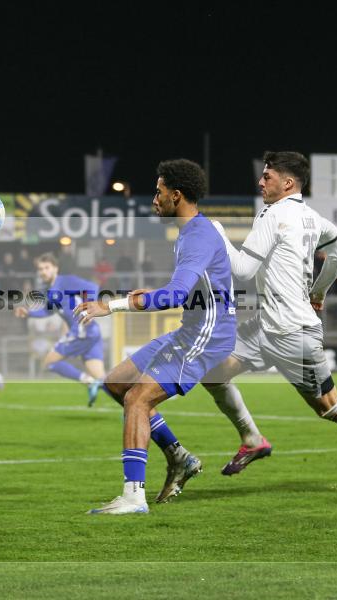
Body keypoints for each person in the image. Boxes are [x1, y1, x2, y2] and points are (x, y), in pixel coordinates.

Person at [206, 151, 337, 492]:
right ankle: (253, 438)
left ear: (287, 183)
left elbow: (243, 269)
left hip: (292, 332)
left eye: (268, 176)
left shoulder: (273, 216)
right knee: (213, 372)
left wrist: (216, 232)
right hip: (264, 326)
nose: (261, 181)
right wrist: (318, 292)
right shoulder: (311, 217)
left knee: (329, 407)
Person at [75, 159, 237, 515]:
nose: (154, 199)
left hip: (207, 336)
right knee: (117, 383)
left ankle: (133, 496)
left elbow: (176, 296)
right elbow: (187, 290)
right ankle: (179, 457)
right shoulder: (192, 232)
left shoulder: (197, 236)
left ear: (176, 195)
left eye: (159, 192)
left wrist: (113, 306)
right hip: (191, 330)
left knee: (138, 400)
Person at [13, 254, 105, 406]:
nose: (43, 272)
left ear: (56, 268)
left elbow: (92, 287)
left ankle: (88, 382)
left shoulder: (65, 280)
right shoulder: (51, 290)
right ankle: (132, 406)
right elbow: (48, 311)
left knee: (50, 362)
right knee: (103, 379)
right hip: (91, 332)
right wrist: (29, 313)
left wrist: (90, 309)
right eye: (40, 269)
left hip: (81, 330)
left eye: (47, 268)